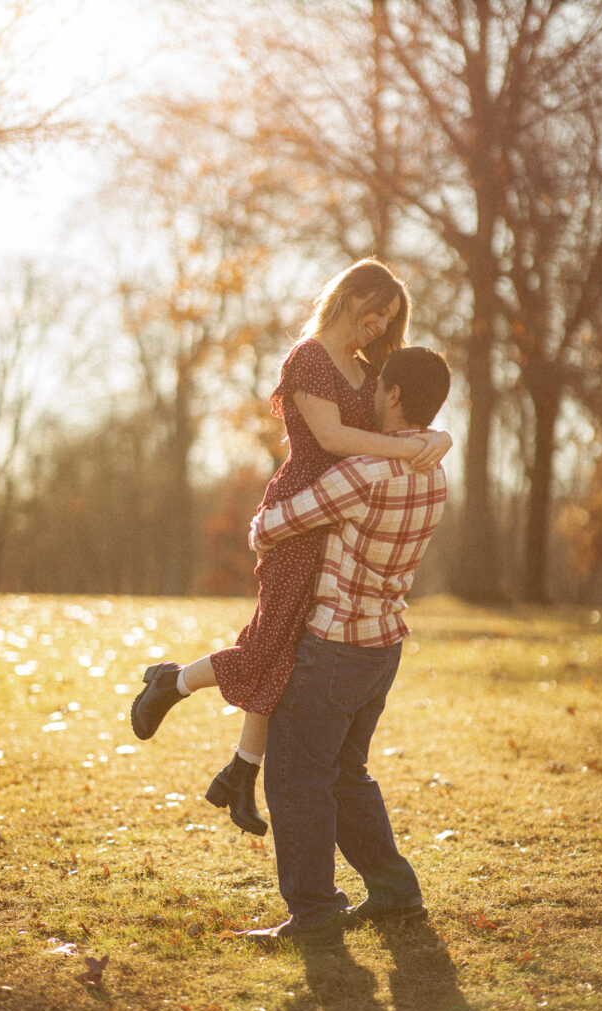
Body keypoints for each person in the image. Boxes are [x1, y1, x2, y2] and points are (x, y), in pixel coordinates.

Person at [131, 259, 451, 835]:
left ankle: (241, 772)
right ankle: (171, 683)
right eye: (375, 309)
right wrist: (409, 450)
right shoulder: (308, 359)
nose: (380, 324)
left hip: (340, 512)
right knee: (270, 646)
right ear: (349, 295)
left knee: (288, 652)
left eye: (391, 317)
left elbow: (416, 397)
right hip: (301, 510)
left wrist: (439, 434)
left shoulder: (364, 366)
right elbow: (329, 438)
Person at [240, 345, 451, 945]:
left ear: (391, 395)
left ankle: (314, 911)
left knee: (296, 776)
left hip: (333, 646)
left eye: (378, 385)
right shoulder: (434, 469)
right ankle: (394, 891)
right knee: (345, 774)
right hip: (383, 646)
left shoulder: (361, 472)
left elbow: (268, 529)